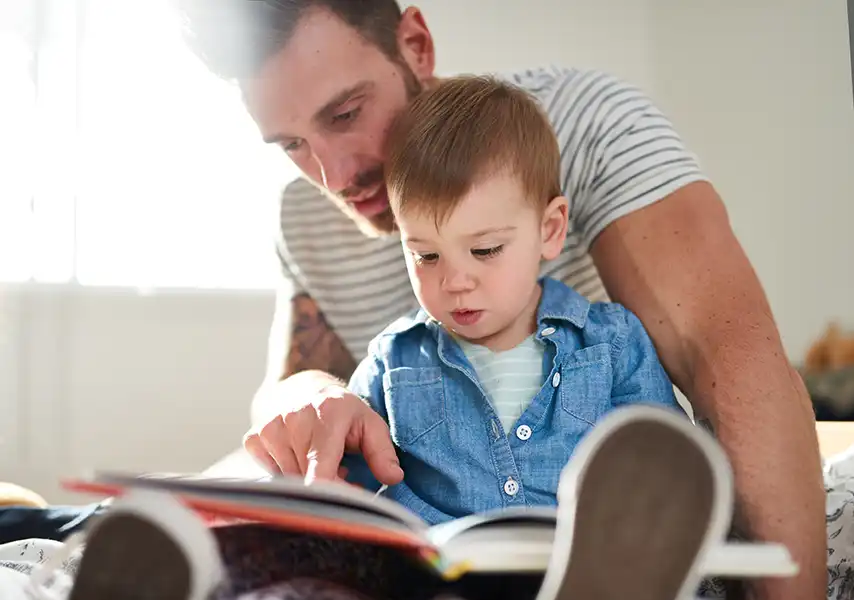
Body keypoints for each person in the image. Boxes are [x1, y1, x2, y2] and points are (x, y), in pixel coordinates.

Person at [169, 2, 825, 599]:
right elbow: (281, 400)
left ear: (416, 44)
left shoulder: (584, 124)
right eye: (290, 145)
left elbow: (734, 364)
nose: (333, 177)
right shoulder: (303, 220)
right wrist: (310, 395)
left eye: (345, 115)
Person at [340, 74, 687, 525]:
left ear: (550, 230)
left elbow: (673, 469)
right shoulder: (392, 361)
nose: (455, 282)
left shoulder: (611, 342)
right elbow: (345, 492)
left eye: (485, 250)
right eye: (425, 255)